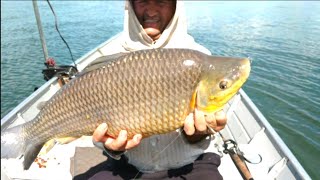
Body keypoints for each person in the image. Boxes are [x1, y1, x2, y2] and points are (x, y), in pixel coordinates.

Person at [90, 0, 227, 179]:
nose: (152, 11)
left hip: (190, 165)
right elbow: (98, 132)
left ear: (176, 6)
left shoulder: (202, 58)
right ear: (130, 5)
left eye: (161, 1)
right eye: (142, 1)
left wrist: (198, 135)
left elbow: (210, 122)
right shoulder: (108, 57)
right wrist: (109, 148)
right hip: (129, 166)